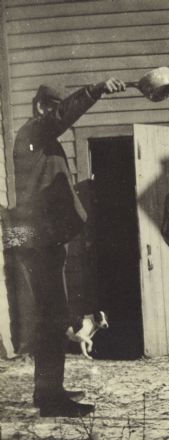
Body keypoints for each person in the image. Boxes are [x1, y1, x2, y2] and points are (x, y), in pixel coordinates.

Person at [10, 78, 126, 417]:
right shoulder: (32, 134)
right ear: (42, 107)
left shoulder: (42, 143)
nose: (57, 116)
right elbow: (61, 117)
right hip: (36, 239)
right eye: (53, 108)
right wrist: (96, 89)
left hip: (43, 238)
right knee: (51, 318)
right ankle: (50, 398)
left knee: (54, 315)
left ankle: (49, 390)